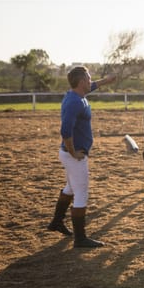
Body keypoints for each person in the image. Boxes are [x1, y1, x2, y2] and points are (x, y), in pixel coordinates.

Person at [48, 66, 116, 248]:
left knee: (70, 188)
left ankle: (56, 221)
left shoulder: (77, 96)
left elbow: (93, 86)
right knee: (81, 193)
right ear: (81, 82)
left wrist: (106, 81)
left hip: (71, 155)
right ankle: (80, 238)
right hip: (74, 156)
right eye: (88, 78)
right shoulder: (75, 102)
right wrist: (73, 152)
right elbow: (65, 131)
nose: (91, 80)